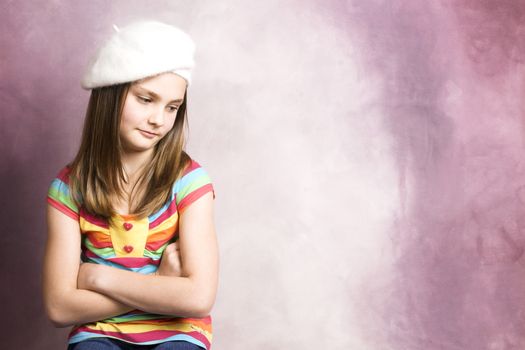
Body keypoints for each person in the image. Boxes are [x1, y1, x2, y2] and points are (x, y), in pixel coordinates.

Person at [42, 20, 218, 350]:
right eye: (145, 99)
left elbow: (198, 297)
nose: (159, 119)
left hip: (178, 333)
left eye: (172, 107)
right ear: (110, 94)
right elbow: (59, 306)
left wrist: (97, 277)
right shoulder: (66, 189)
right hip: (99, 334)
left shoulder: (189, 182)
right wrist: (159, 285)